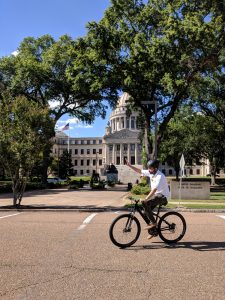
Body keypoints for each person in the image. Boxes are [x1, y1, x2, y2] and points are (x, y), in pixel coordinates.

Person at [126, 159, 170, 239]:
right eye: (148, 168)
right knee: (145, 212)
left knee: (145, 203)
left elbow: (154, 190)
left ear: (155, 168)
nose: (149, 170)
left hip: (163, 197)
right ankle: (154, 231)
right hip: (156, 196)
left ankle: (154, 223)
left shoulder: (160, 176)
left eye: (150, 168)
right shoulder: (151, 172)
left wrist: (145, 199)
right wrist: (130, 166)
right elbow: (140, 171)